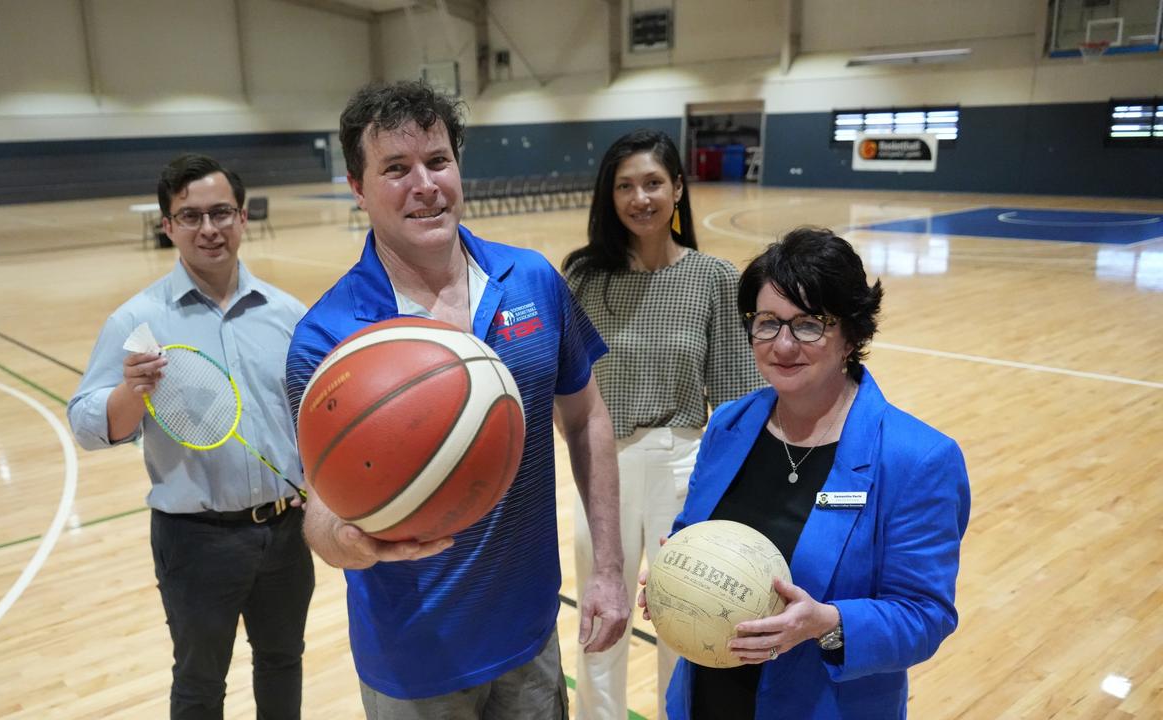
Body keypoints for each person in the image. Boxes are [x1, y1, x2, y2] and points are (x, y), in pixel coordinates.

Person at [284, 80, 629, 719]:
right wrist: (356, 545)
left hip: (529, 634)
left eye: (437, 161)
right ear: (357, 188)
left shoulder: (531, 279)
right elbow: (319, 515)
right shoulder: (329, 337)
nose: (425, 185)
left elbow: (587, 421)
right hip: (413, 656)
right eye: (395, 169)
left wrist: (607, 568)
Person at [644, 227, 971, 719]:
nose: (783, 345)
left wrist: (826, 623)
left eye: (808, 325)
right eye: (768, 323)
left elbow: (925, 616)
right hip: (707, 698)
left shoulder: (916, 458)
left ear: (852, 334)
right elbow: (693, 533)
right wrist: (674, 575)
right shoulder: (730, 424)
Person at [68, 154, 313, 719]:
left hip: (286, 532)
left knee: (283, 661)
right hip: (197, 541)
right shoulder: (138, 320)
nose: (209, 228)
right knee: (200, 683)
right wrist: (131, 394)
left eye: (221, 212)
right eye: (191, 216)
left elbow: (313, 413)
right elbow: (86, 424)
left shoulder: (286, 313)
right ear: (168, 226)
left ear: (243, 217)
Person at [560, 129, 763, 720]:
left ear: (677, 188)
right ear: (609, 195)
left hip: (684, 462)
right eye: (625, 186)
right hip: (602, 466)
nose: (640, 197)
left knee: (686, 617)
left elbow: (735, 397)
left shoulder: (715, 277)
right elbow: (563, 383)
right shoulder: (583, 278)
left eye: (653, 183)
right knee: (602, 613)